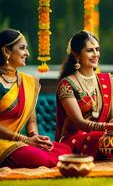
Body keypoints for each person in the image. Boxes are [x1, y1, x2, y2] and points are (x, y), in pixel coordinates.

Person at [0, 29, 71, 168]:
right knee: (43, 159)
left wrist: (35, 137)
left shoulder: (28, 82)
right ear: (6, 52)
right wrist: (25, 139)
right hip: (3, 143)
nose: (27, 53)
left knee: (64, 150)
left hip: (20, 142)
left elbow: (31, 119)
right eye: (22, 48)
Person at [56, 30, 113, 159]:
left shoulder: (107, 80)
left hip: (104, 134)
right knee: (101, 138)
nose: (96, 54)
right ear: (76, 55)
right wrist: (107, 127)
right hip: (75, 139)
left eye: (97, 49)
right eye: (90, 50)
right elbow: (79, 122)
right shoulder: (67, 84)